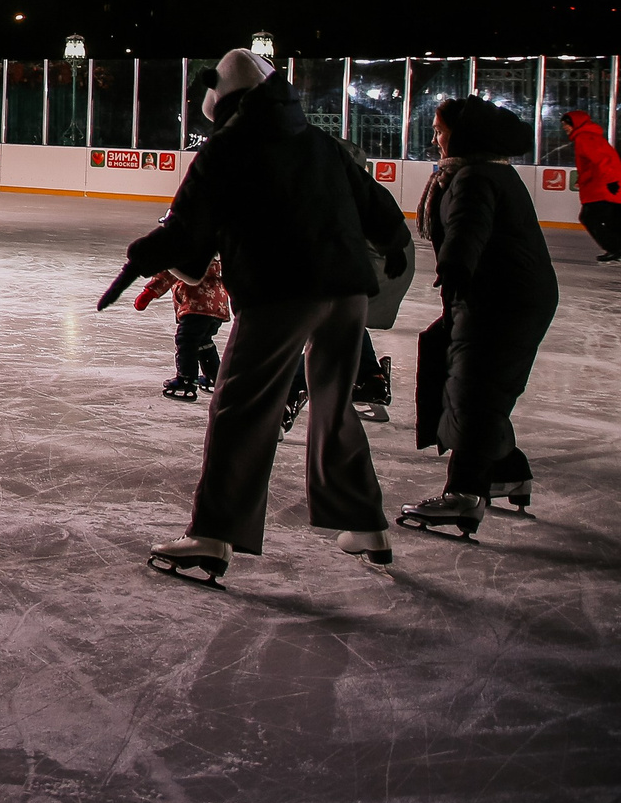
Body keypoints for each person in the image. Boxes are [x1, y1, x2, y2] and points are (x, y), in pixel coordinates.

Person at [98, 47, 411, 583]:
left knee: (241, 409)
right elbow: (378, 210)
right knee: (334, 408)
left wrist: (147, 254)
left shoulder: (226, 150)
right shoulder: (319, 141)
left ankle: (214, 535)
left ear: (217, 101)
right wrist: (394, 245)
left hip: (280, 292)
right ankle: (365, 524)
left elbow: (187, 236)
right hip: (348, 290)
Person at [400, 96, 561, 533]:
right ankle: (507, 470)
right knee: (450, 361)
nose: (434, 138)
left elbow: (470, 226)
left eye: (439, 129)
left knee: (473, 389)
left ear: (463, 134)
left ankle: (465, 494)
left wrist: (455, 267)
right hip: (499, 294)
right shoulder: (485, 171)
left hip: (500, 299)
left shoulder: (473, 177)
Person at [132, 257, 232, 400]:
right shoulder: (212, 252)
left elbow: (169, 272)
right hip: (217, 305)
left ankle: (186, 379)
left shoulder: (186, 251)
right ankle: (215, 377)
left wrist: (149, 293)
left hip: (198, 303)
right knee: (203, 341)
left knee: (186, 341)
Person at [563, 109, 621, 262]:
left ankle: (615, 248)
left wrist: (611, 182)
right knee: (612, 219)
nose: (565, 128)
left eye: (566, 124)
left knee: (589, 217)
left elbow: (602, 160)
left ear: (575, 124)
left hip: (602, 187)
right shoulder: (590, 137)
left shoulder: (584, 138)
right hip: (605, 185)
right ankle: (616, 247)